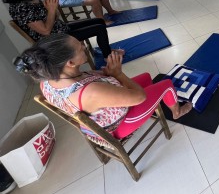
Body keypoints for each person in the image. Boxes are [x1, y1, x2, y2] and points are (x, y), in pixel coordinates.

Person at [15, 34, 192, 140]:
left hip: (101, 110)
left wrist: (108, 73)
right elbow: (140, 97)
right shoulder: (91, 92)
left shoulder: (48, 79)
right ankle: (176, 112)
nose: (84, 46)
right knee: (166, 84)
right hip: (119, 125)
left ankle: (161, 102)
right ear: (70, 62)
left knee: (146, 77)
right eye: (80, 48)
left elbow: (90, 79)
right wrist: (118, 74)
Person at [3, 0, 116, 56]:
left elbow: (53, 18)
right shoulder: (21, 7)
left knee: (99, 21)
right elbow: (46, 31)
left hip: (59, 29)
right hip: (53, 39)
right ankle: (108, 56)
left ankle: (105, 49)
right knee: (99, 28)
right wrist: (51, 10)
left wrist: (52, 9)